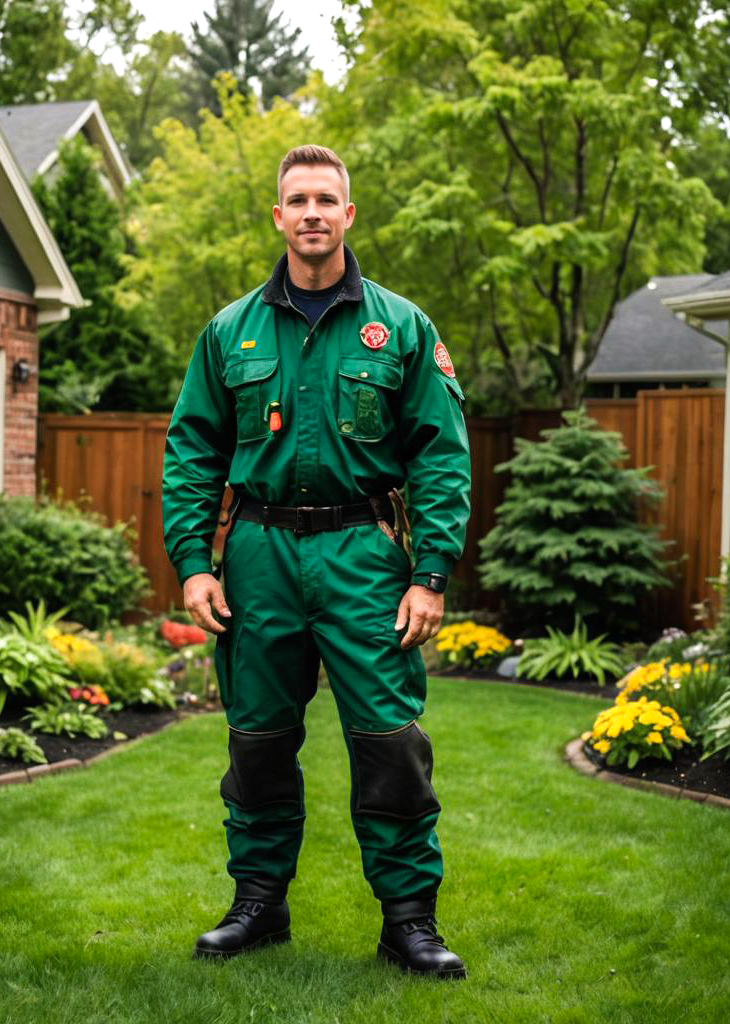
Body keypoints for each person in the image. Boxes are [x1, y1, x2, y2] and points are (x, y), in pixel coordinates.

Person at [161, 144, 472, 978]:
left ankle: (409, 921)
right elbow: (191, 449)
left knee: (389, 741)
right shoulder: (230, 331)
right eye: (296, 199)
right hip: (257, 552)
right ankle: (258, 906)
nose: (310, 213)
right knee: (258, 740)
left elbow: (441, 455)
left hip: (364, 554)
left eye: (325, 199)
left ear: (348, 214)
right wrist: (194, 562)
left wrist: (430, 572)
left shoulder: (400, 327)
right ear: (277, 215)